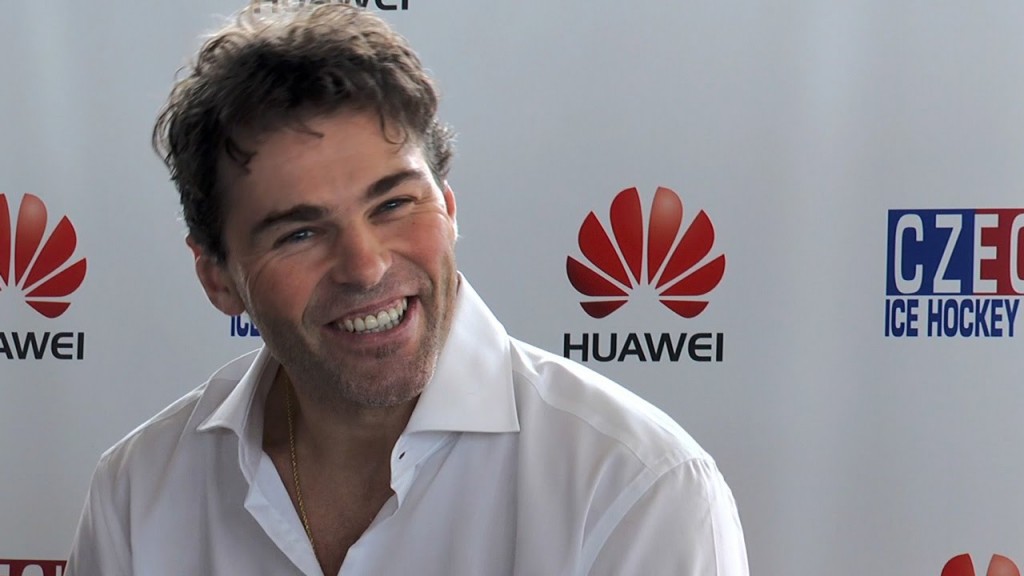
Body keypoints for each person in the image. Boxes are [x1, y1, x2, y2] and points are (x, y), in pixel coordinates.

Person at [67, 2, 748, 575]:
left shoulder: (635, 486)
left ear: (448, 207)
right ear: (217, 278)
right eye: (299, 233)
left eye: (393, 204)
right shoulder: (138, 491)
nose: (364, 266)